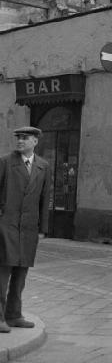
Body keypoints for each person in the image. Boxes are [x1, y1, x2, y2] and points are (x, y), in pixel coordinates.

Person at [0, 126, 50, 333]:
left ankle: (14, 315)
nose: (20, 141)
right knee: (2, 274)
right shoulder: (5, 162)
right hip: (6, 226)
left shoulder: (43, 166)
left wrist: (42, 228)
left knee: (21, 275)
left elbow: (44, 198)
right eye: (18, 137)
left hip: (28, 229)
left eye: (25, 138)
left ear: (35, 142)